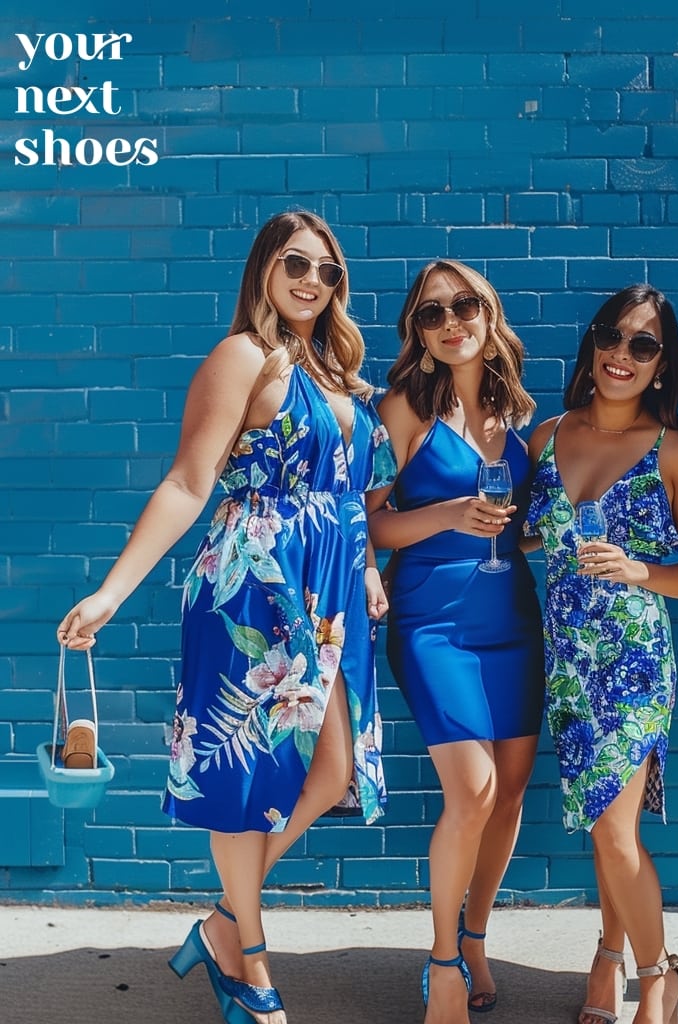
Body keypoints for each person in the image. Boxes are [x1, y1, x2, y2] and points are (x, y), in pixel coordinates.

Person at [56, 210, 396, 1024]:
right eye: (296, 263)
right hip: (253, 581)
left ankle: (221, 926)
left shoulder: (335, 368)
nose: (313, 280)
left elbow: (354, 493)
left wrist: (370, 565)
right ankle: (249, 959)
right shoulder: (243, 356)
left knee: (334, 772)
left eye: (327, 269)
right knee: (248, 778)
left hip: (331, 593)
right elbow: (187, 481)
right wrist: (111, 592)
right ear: (264, 271)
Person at [525, 284, 678, 1024]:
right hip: (568, 661)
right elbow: (529, 534)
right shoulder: (548, 436)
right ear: (592, 344)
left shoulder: (677, 454)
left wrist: (642, 570)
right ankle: (607, 962)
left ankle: (657, 978)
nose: (622, 354)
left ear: (662, 365)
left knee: (612, 824)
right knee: (608, 821)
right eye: (612, 335)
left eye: (643, 344)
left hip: (633, 661)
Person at [367, 259, 544, 1024]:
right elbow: (372, 525)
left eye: (464, 306)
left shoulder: (520, 417)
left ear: (487, 311)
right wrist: (449, 515)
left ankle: (476, 936)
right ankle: (442, 963)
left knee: (507, 795)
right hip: (432, 622)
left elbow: (525, 527)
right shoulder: (402, 409)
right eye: (433, 313)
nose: (451, 323)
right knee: (470, 791)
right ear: (419, 330)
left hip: (512, 620)